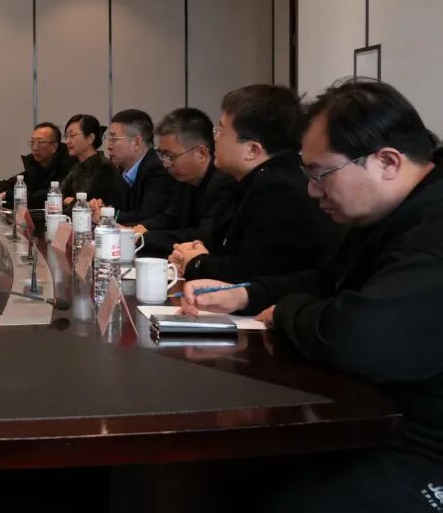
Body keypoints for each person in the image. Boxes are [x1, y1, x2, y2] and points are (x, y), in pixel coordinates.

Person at [180, 79, 443, 511]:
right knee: (228, 468)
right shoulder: (387, 214)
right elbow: (326, 279)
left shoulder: (432, 230)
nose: (312, 190)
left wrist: (285, 311)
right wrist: (246, 295)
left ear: (387, 162)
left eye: (322, 174)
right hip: (380, 418)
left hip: (424, 448)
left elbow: (361, 338)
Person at [170, 84, 341, 282]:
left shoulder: (278, 190)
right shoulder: (252, 180)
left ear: (252, 150)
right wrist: (198, 251)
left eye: (220, 132)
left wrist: (198, 263)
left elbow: (253, 272)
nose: (214, 139)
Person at [134, 108, 236, 257]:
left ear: (201, 153)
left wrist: (146, 237)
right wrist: (137, 229)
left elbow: (202, 237)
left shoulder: (224, 183)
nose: (165, 164)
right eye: (162, 155)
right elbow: (170, 218)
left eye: (170, 156)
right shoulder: (185, 178)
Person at [90, 109, 176, 225]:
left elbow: (146, 217)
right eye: (109, 139)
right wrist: (101, 207)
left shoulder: (158, 170)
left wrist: (106, 215)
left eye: (114, 139)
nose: (108, 146)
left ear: (136, 142)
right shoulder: (123, 169)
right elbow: (118, 208)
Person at [1, 121, 75, 211]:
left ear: (54, 147)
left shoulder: (69, 166)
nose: (35, 147)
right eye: (32, 142)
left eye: (40, 142)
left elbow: (47, 196)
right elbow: (12, 183)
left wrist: (8, 195)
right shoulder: (35, 163)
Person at [59, 114, 122, 209]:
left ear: (90, 138)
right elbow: (59, 195)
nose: (67, 141)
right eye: (66, 136)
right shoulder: (78, 166)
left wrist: (71, 201)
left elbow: (86, 205)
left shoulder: (104, 167)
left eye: (72, 135)